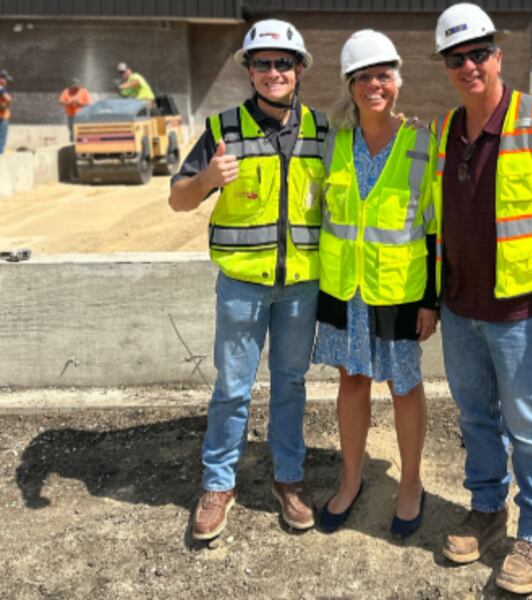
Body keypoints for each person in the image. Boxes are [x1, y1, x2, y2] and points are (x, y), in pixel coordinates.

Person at [431, 3, 532, 594]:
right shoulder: (448, 127)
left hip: (520, 309)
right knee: (475, 417)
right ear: (446, 67)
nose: (469, 65)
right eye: (457, 58)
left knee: (527, 418)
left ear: (497, 56)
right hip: (459, 305)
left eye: (478, 53)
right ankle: (488, 508)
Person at [168, 19, 328, 540]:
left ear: (299, 68)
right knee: (233, 389)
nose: (274, 71)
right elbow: (178, 199)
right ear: (249, 71)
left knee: (290, 385)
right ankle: (218, 484)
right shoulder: (222, 130)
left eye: (284, 62)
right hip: (241, 286)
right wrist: (209, 179)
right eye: (263, 63)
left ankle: (289, 478)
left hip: (302, 287)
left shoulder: (324, 132)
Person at [313, 30, 437, 539]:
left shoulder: (422, 143)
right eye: (362, 77)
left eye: (382, 75)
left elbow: (436, 226)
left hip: (400, 291)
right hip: (346, 291)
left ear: (398, 81)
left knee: (404, 387)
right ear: (350, 86)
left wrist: (432, 300)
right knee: (351, 381)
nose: (373, 85)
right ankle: (351, 479)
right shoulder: (333, 144)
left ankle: (410, 485)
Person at [0, 69, 12, 155]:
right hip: (2, 116)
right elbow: (8, 98)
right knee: (2, 137)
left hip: (3, 116)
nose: (7, 82)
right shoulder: (1, 88)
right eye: (6, 79)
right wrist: (4, 105)